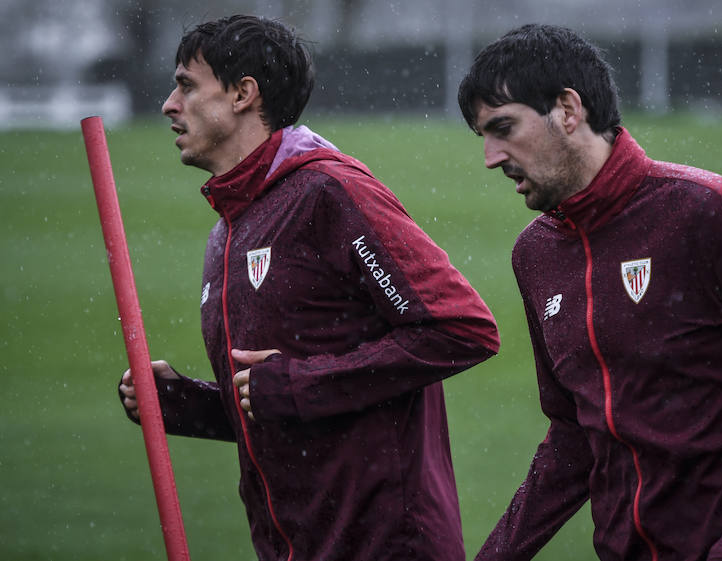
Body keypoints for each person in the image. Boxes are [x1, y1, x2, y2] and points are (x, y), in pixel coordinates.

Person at [457, 23, 722, 561]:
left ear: (568, 110)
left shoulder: (707, 212)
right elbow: (573, 435)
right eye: (483, 135)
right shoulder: (535, 254)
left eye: (503, 127)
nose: (489, 156)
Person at [117, 15, 500, 561]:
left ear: (243, 94)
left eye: (185, 85)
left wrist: (302, 384)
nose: (168, 105)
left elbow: (462, 329)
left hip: (386, 546)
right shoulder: (231, 225)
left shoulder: (330, 193)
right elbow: (284, 400)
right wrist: (192, 405)